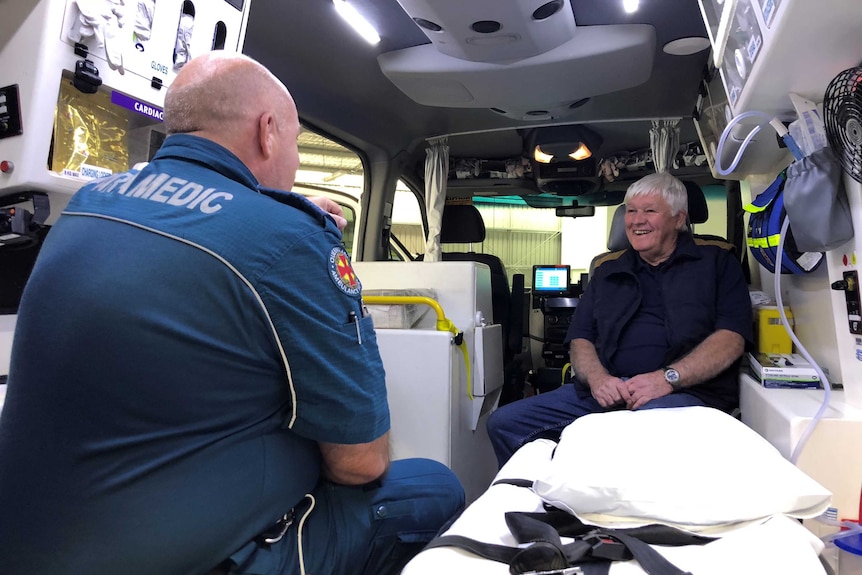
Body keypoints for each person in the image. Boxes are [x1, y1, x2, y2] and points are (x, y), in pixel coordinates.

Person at [0, 52, 464, 575]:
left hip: (30, 546)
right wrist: (293, 228)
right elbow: (361, 464)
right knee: (430, 488)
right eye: (293, 144)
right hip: (198, 559)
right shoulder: (291, 238)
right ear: (268, 132)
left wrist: (270, 211)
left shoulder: (88, 204)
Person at [487, 171, 753, 466]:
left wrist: (668, 378)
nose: (636, 220)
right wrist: (599, 380)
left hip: (684, 394)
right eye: (630, 211)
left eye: (649, 211)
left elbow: (731, 338)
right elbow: (581, 338)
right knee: (504, 423)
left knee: (627, 438)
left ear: (679, 219)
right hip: (603, 393)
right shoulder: (607, 270)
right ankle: (540, 502)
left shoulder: (718, 262)